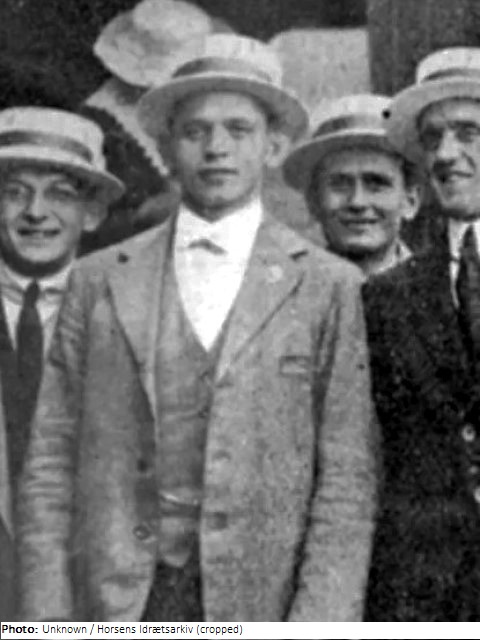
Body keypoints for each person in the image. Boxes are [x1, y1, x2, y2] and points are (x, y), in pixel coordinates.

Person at [18, 34, 376, 622]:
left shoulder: (328, 286)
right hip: (119, 602)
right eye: (195, 131)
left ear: (273, 145)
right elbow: (49, 468)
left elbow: (347, 484)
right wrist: (45, 624)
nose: (216, 149)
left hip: (263, 602)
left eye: (238, 130)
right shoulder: (98, 279)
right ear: (165, 147)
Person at [363, 47, 480, 620]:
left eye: (468, 133)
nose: (446, 154)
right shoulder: (388, 298)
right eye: (432, 139)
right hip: (428, 598)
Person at [0, 106, 123, 619]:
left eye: (60, 194)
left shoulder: (122, 313)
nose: (36, 212)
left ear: (91, 213)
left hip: (87, 597)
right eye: (14, 192)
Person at [284, 94, 421, 276]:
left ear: (410, 201)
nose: (357, 202)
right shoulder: (288, 287)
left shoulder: (444, 286)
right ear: (313, 202)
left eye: (376, 184)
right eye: (340, 184)